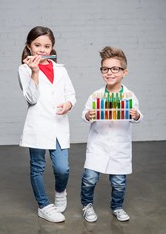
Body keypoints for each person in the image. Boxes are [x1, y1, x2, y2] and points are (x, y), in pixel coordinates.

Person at [18, 26, 76, 223]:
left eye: (46, 46)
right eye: (37, 45)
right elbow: (31, 99)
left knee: (63, 168)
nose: (42, 50)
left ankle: (60, 192)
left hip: (59, 124)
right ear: (29, 46)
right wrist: (34, 71)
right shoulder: (24, 69)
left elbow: (71, 94)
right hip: (38, 126)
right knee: (37, 167)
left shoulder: (61, 69)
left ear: (52, 49)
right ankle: (43, 206)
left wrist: (68, 104)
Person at [81, 46, 143, 222]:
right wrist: (88, 115)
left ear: (124, 72)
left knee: (119, 183)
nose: (109, 73)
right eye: (105, 69)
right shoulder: (96, 95)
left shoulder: (130, 96)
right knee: (89, 179)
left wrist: (136, 114)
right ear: (102, 71)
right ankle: (87, 205)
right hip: (98, 146)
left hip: (119, 148)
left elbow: (138, 115)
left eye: (115, 69)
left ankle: (117, 207)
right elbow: (84, 114)